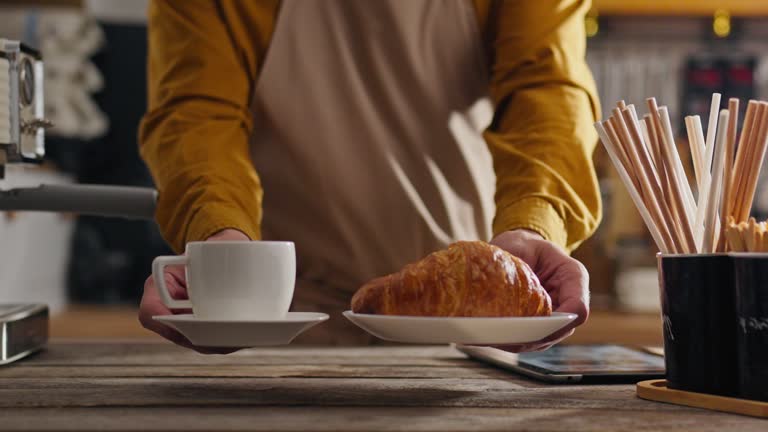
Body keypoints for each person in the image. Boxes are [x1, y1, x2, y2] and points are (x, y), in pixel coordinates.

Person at [138, 0, 601, 352]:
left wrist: (532, 223)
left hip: (464, 322)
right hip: (287, 317)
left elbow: (545, 92)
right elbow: (197, 113)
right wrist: (222, 246)